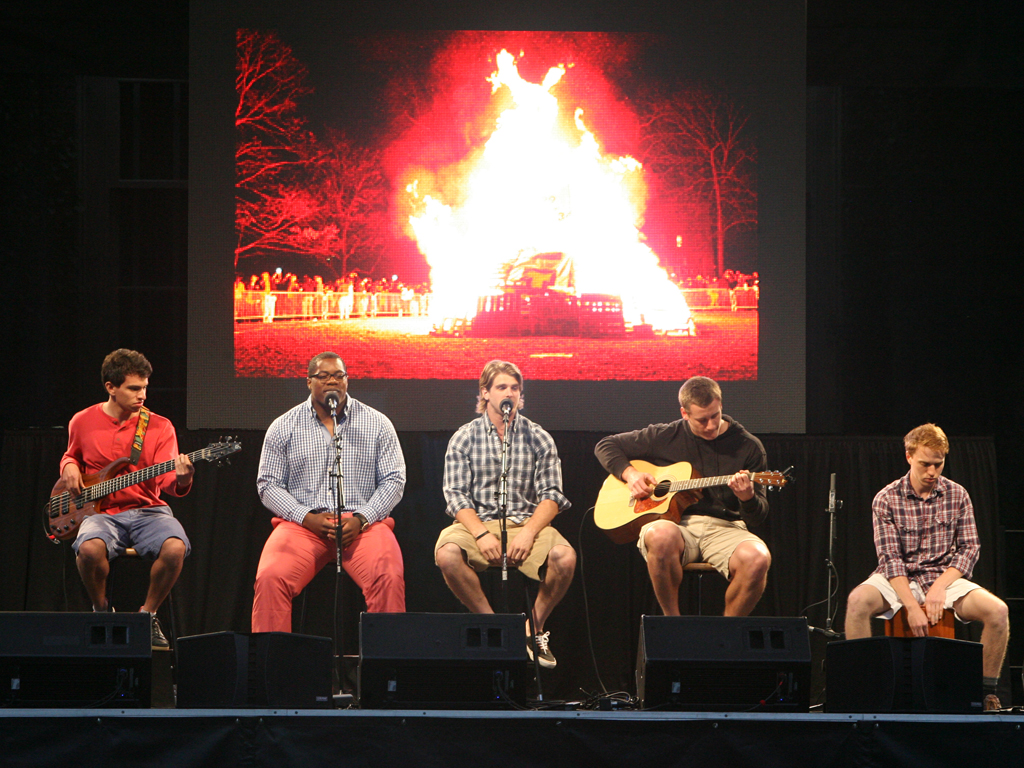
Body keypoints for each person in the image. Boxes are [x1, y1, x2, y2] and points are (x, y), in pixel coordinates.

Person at [843, 423, 1009, 711]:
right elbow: (890, 558)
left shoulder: (958, 495)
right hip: (898, 577)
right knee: (857, 602)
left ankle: (985, 692)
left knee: (999, 612)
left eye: (938, 464)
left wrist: (940, 588)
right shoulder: (886, 498)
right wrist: (909, 605)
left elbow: (970, 549)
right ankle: (863, 690)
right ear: (909, 457)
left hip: (943, 575)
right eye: (925, 464)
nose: (932, 472)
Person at [435, 360, 575, 668]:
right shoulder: (464, 437)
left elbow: (552, 496)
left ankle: (532, 629)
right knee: (446, 554)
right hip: (478, 522)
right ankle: (497, 628)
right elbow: (455, 495)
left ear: (521, 396)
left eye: (515, 388)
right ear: (485, 393)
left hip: (526, 522)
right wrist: (481, 533)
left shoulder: (538, 437)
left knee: (565, 557)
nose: (509, 393)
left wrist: (528, 532)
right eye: (501, 387)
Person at [253, 352, 406, 633]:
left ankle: (386, 671)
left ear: (347, 381)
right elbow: (268, 484)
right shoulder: (283, 426)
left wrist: (362, 519)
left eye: (339, 375)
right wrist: (306, 517)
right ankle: (270, 667)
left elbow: (394, 480)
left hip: (362, 524)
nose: (332, 381)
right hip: (304, 525)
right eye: (323, 376)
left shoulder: (377, 423)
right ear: (308, 382)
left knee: (389, 576)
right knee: (270, 577)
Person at [594, 375, 771, 617]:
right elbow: (606, 445)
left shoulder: (748, 446)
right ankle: (673, 626)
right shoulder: (665, 435)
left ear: (721, 405)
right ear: (684, 413)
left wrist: (747, 497)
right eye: (701, 420)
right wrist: (631, 475)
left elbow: (757, 517)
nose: (711, 426)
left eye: (715, 416)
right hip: (676, 525)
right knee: (659, 534)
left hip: (726, 527)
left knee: (758, 558)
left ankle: (724, 638)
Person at [60, 349, 193, 648]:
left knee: (175, 548)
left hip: (148, 510)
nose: (142, 395)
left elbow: (168, 483)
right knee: (89, 552)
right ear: (111, 387)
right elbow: (71, 456)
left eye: (145, 387)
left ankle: (148, 616)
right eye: (134, 388)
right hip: (101, 513)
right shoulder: (82, 421)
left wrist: (183, 478)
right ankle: (102, 611)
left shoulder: (160, 426)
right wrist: (68, 467)